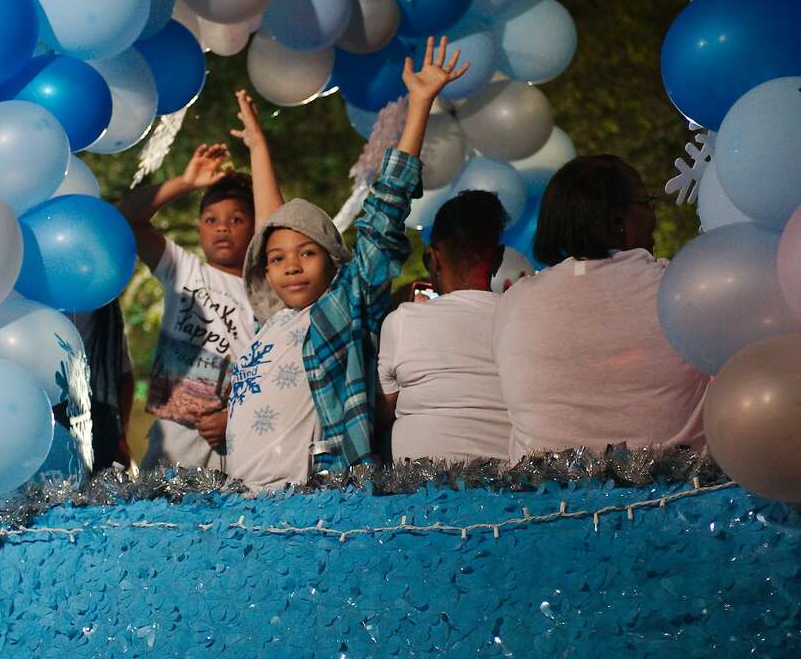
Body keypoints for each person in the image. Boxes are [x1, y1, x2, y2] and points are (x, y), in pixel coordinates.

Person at [225, 36, 470, 489]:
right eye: (277, 260)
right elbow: (271, 226)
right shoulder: (273, 323)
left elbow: (384, 212)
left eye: (308, 253)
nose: (292, 266)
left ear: (333, 261)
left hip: (311, 502)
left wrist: (418, 104)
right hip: (245, 505)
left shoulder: (340, 307)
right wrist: (258, 147)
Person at [492, 155, 709, 461]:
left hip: (549, 502)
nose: (653, 217)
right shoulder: (683, 288)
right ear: (618, 219)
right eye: (646, 202)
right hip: (683, 502)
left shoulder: (515, 303)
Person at [118, 91, 282, 471]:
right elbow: (127, 220)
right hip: (169, 455)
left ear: (257, 226)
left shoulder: (268, 289)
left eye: (237, 219)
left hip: (237, 448)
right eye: (210, 219)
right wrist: (185, 183)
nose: (222, 226)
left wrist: (235, 415)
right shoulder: (185, 270)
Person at [376, 190, 515, 462]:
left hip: (418, 492)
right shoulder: (521, 318)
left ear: (434, 258)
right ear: (498, 259)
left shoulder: (404, 321)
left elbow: (379, 416)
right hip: (511, 486)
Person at [70, 301, 135, 472]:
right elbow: (126, 376)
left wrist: (121, 435)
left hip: (97, 414)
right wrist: (121, 434)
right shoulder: (107, 307)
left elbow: (125, 376)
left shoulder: (106, 308)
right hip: (99, 411)